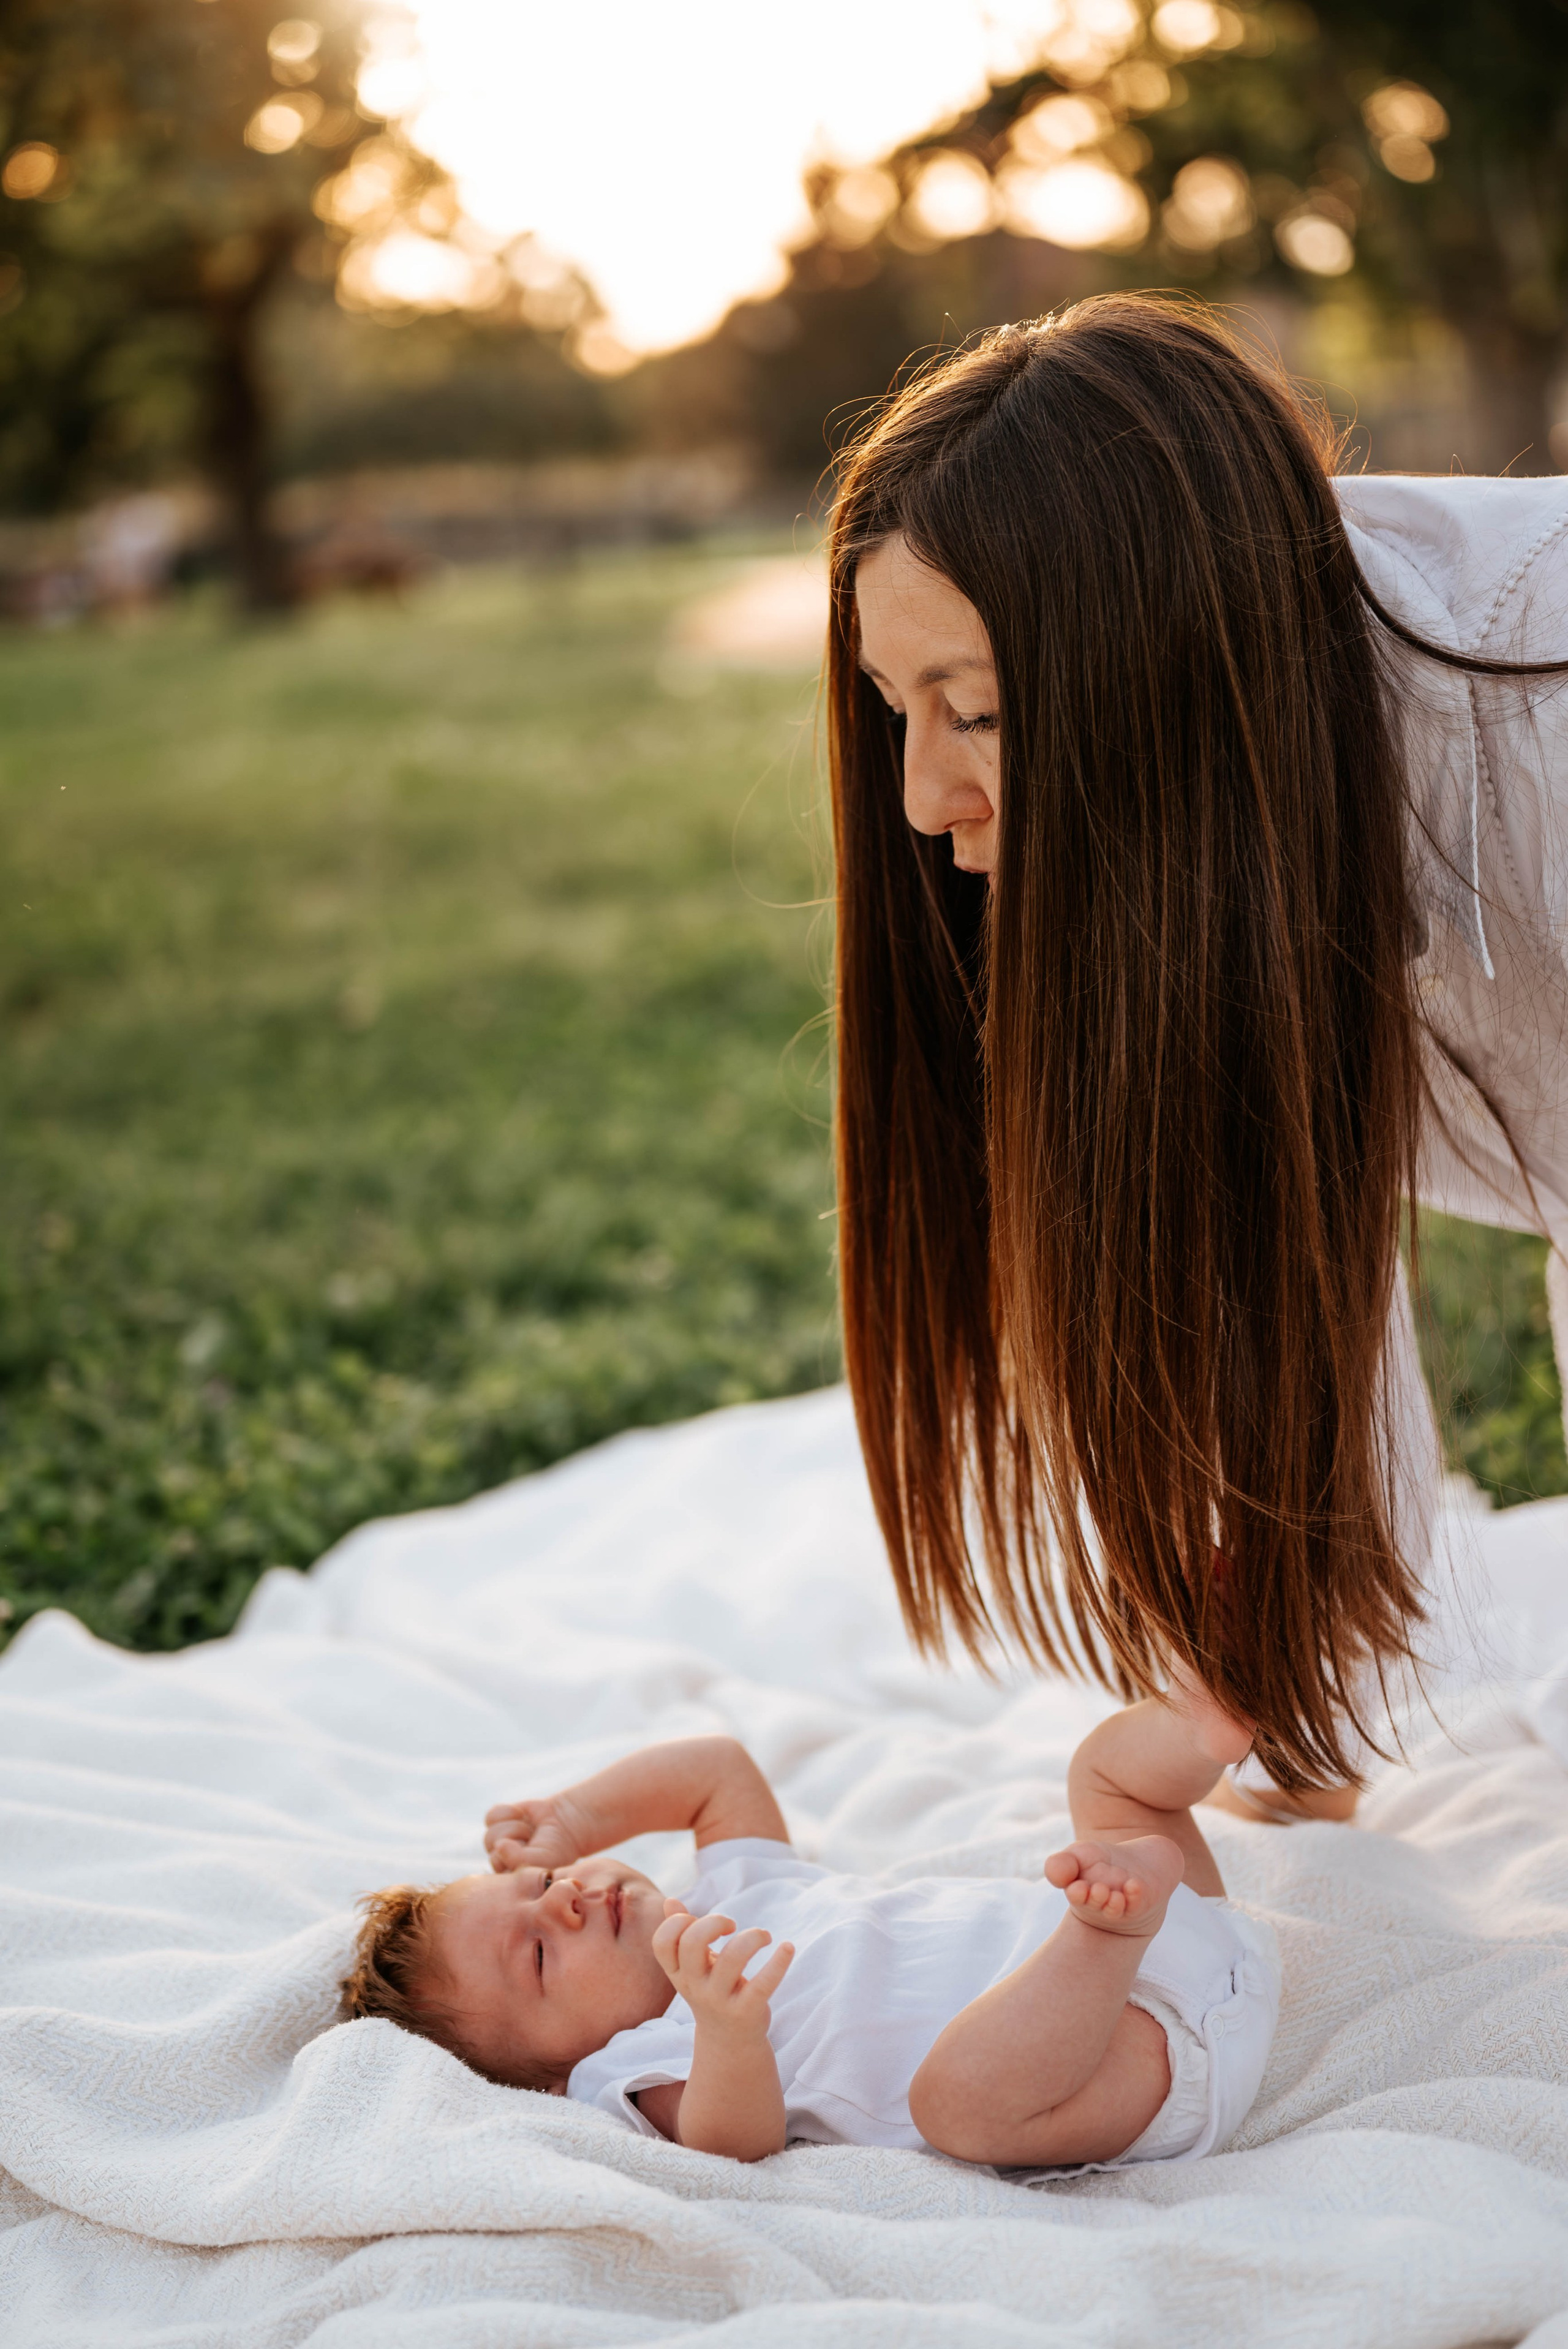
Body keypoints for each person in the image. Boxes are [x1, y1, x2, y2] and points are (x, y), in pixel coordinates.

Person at [828, 293, 1568, 1823]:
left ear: (1170, 665)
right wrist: (1278, 1722)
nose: (918, 799)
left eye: (976, 712)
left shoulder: (1537, 715)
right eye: (896, 708)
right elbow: (1275, 1264)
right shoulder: (1185, 866)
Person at [339, 1708, 1278, 2172]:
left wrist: (576, 1816)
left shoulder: (731, 1890)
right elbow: (731, 2144)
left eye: (545, 1887)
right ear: (550, 2076)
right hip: (1131, 2059)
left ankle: (1217, 1712)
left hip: (1184, 1932)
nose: (569, 1905)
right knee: (956, 2107)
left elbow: (718, 1769)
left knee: (1106, 1773)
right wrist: (728, 2031)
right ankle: (1107, 1929)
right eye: (540, 1956)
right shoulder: (631, 2065)